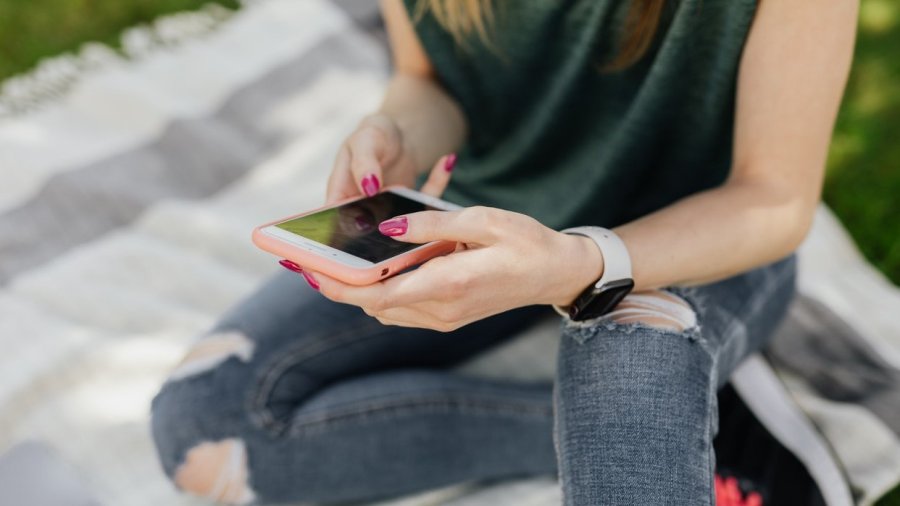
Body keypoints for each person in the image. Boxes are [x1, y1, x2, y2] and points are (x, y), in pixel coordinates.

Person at [150, 0, 857, 504]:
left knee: (622, 377)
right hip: (494, 215)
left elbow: (773, 197)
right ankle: (691, 434)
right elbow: (430, 82)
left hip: (694, 235)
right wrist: (399, 132)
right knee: (206, 429)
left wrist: (580, 264)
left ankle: (659, 425)